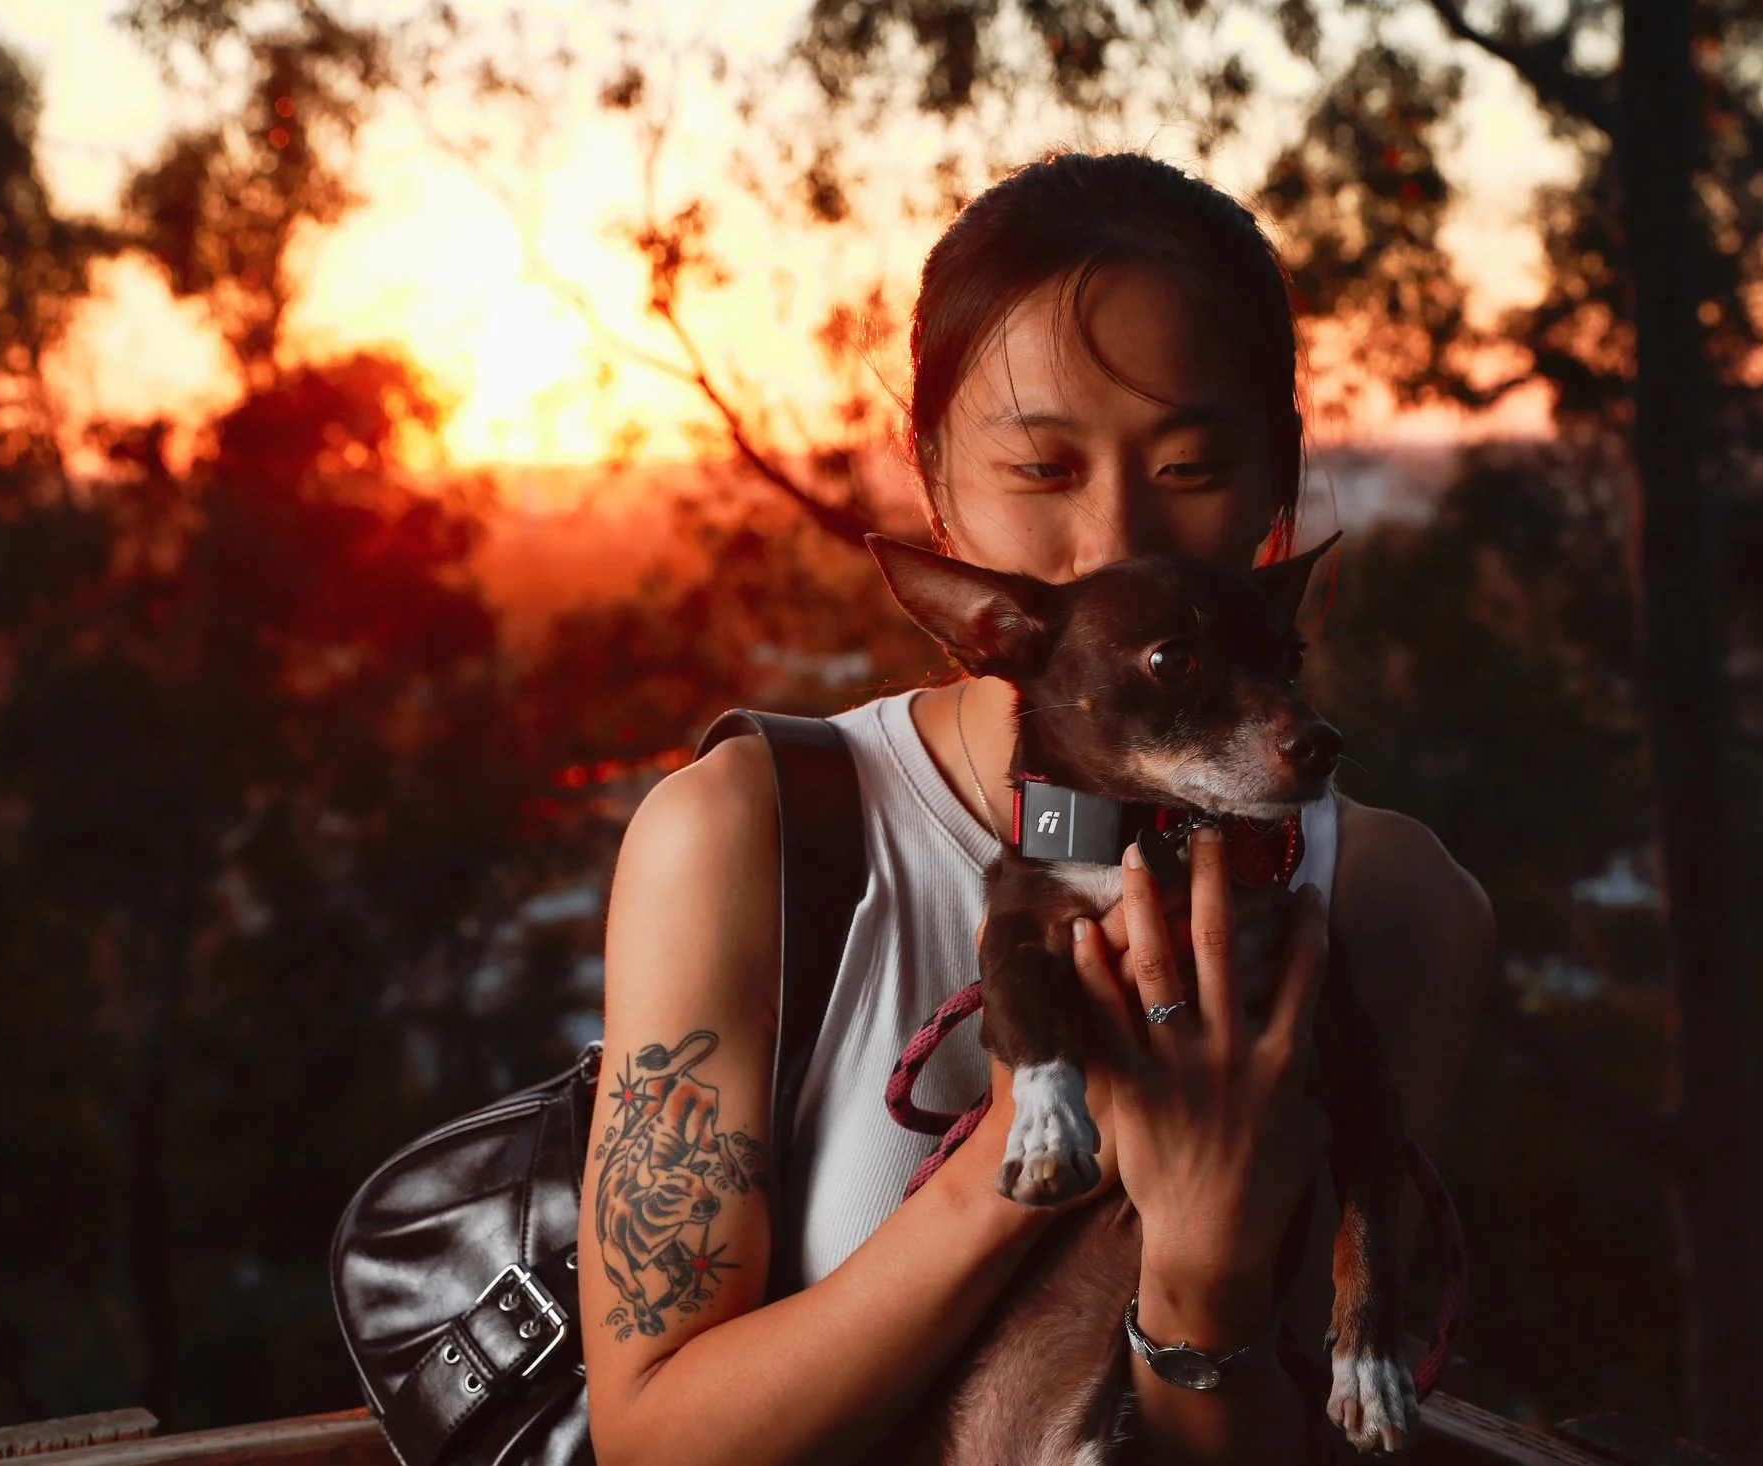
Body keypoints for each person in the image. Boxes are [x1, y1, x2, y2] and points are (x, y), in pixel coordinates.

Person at [578, 151, 1495, 1465]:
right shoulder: (751, 837)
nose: (1118, 541)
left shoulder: (1395, 903)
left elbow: (1331, 1426)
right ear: (935, 482)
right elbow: (651, 1441)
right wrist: (1020, 1153)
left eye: (1189, 466)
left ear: (1278, 478)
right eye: (1043, 469)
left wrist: (1205, 1269)